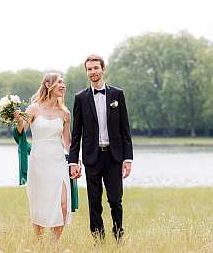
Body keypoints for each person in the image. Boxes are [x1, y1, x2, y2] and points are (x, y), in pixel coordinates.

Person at [69, 54, 133, 242]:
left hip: (114, 157)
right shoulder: (80, 98)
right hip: (92, 158)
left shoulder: (117, 95)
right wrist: (73, 161)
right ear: (87, 72)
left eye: (96, 68)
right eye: (89, 69)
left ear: (103, 69)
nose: (93, 72)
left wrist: (127, 159)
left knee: (115, 200)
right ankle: (98, 240)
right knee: (94, 201)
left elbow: (125, 129)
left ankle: (118, 235)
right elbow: (76, 133)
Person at [14, 72, 73, 240]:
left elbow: (67, 142)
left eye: (64, 82)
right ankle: (38, 242)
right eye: (59, 82)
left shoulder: (65, 113)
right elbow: (20, 133)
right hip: (38, 160)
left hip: (58, 160)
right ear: (48, 85)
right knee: (39, 202)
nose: (63, 86)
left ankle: (54, 245)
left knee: (63, 202)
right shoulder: (33, 108)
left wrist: (76, 160)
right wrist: (18, 120)